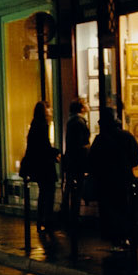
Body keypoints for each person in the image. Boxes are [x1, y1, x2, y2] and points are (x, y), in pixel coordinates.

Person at [86, 107, 138, 247]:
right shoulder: (126, 136)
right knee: (124, 208)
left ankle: (114, 238)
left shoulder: (100, 140)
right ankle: (125, 237)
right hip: (124, 179)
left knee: (109, 210)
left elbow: (92, 161)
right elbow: (135, 157)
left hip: (105, 181)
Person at [20, 101, 60, 235]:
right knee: (48, 193)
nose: (50, 111)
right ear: (44, 111)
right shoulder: (42, 125)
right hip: (44, 165)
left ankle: (41, 221)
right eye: (48, 108)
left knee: (43, 193)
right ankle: (47, 221)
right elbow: (44, 146)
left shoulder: (34, 124)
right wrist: (56, 152)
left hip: (38, 165)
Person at [62, 97, 91, 228]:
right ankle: (73, 217)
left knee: (70, 188)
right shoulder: (79, 122)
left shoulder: (72, 121)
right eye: (86, 103)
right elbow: (80, 144)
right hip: (77, 162)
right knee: (76, 189)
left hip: (71, 161)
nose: (88, 105)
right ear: (81, 107)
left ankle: (68, 216)